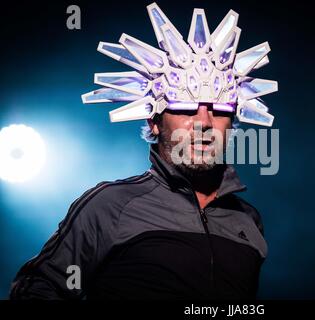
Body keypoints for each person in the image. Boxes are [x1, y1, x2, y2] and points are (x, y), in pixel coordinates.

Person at [10, 2, 277, 299]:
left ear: (233, 121)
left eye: (220, 109)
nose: (203, 122)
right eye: (184, 108)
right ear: (154, 121)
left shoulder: (248, 221)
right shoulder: (109, 205)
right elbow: (35, 289)